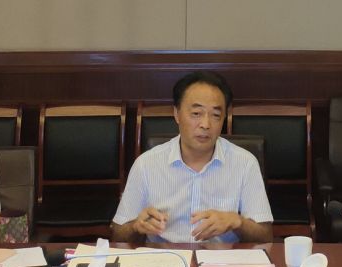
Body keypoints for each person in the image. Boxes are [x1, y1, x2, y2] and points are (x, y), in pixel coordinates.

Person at [112, 71, 273, 243]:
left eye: (216, 115)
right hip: (165, 256)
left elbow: (265, 236)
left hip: (220, 257)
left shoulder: (245, 163)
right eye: (196, 113)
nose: (205, 124)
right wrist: (136, 226)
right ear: (177, 114)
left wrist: (238, 222)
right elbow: (117, 234)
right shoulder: (146, 164)